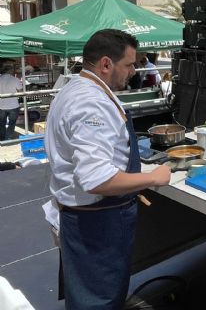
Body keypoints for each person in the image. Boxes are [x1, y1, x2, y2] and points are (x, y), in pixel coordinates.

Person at [45, 29, 171, 310]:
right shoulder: (91, 104)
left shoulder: (75, 88)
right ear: (105, 64)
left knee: (91, 296)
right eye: (128, 64)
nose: (133, 71)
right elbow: (97, 179)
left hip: (83, 217)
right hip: (97, 222)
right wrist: (152, 177)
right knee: (99, 300)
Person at [0, 63, 23, 141]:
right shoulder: (15, 79)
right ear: (10, 70)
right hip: (13, 105)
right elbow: (21, 91)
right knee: (12, 123)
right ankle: (8, 137)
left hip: (1, 106)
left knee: (1, 123)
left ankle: (2, 138)